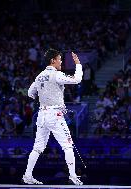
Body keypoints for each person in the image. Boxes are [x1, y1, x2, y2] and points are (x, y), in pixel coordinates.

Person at [22, 48, 83, 185]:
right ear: (52, 61)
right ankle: (73, 176)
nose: (61, 61)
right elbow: (77, 79)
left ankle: (27, 175)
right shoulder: (56, 75)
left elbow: (30, 93)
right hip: (54, 115)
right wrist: (78, 64)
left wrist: (45, 95)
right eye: (59, 59)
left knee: (38, 147)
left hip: (41, 115)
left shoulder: (39, 76)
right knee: (67, 146)